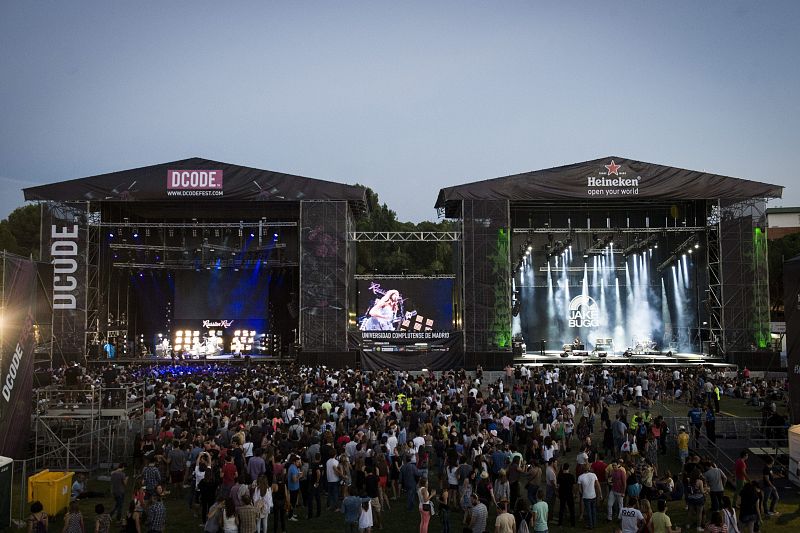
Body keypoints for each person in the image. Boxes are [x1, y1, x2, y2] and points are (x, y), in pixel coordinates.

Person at [577, 464, 602, 529]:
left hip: (586, 496)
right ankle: (594, 524)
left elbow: (579, 489)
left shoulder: (580, 477)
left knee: (589, 511)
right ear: (589, 468)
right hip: (593, 495)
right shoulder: (593, 475)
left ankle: (590, 525)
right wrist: (600, 494)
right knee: (593, 510)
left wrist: (582, 494)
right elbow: (598, 485)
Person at [556, 462, 576, 527]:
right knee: (571, 509)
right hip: (569, 494)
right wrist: (574, 494)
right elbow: (573, 486)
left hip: (562, 494)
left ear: (563, 468)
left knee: (561, 508)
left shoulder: (560, 476)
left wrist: (558, 493)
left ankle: (560, 523)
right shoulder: (571, 476)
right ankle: (573, 524)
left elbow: (558, 486)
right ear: (568, 468)